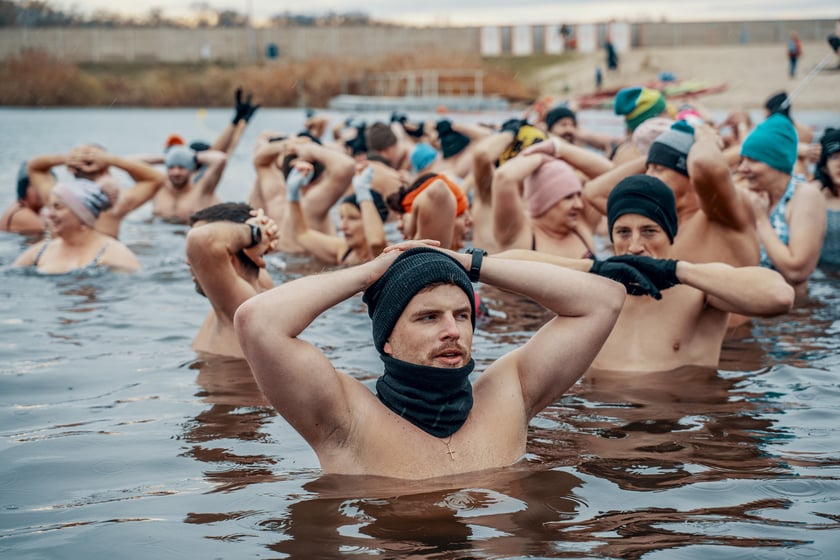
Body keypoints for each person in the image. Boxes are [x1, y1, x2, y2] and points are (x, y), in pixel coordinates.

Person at [234, 240, 625, 479]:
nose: (452, 330)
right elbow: (258, 322)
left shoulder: (511, 392)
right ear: (386, 340)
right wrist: (370, 273)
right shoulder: (346, 418)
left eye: (462, 315)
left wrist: (469, 263)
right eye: (428, 317)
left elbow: (603, 300)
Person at [499, 175, 794, 372]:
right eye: (623, 232)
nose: (636, 246)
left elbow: (779, 296)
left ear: (671, 234)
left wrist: (677, 270)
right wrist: (594, 267)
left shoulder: (698, 286)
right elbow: (503, 263)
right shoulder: (591, 288)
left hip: (680, 430)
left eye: (649, 231)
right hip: (598, 424)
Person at [739, 114, 826, 296]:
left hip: (792, 316)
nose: (742, 168)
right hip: (754, 307)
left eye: (753, 160)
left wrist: (761, 220)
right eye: (742, 160)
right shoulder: (753, 193)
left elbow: (797, 272)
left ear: (776, 162)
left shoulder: (805, 195)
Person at [186, 203, 279, 359]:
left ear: (229, 256)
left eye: (194, 254)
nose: (189, 261)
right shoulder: (258, 279)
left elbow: (200, 240)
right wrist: (262, 232)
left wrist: (254, 233)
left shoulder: (242, 308)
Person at [21, 144, 166, 238]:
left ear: (71, 168)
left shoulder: (56, 198)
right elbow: (157, 179)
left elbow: (33, 167)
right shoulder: (115, 204)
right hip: (101, 265)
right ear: (106, 169)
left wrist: (65, 158)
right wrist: (112, 160)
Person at [249, 134, 355, 254]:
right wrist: (310, 148)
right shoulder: (313, 201)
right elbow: (347, 166)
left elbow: (260, 161)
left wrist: (286, 145)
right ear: (322, 174)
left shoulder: (275, 194)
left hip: (278, 261)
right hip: (313, 268)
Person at [12, 178, 140, 274]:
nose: (49, 214)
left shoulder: (113, 254)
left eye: (58, 207)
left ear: (82, 216)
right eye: (50, 207)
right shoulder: (40, 252)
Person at [287, 163, 388, 266]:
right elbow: (301, 234)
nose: (343, 226)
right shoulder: (343, 249)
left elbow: (376, 242)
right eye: (342, 218)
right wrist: (293, 195)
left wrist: (363, 192)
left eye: (353, 218)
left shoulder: (386, 251)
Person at [810, 128, 840, 267]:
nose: (839, 164)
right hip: (823, 279)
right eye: (834, 157)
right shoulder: (814, 196)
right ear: (825, 166)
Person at [1, 161, 52, 235]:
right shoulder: (22, 215)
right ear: (23, 188)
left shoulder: (32, 210)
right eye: (37, 185)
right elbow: (55, 234)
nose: (42, 189)